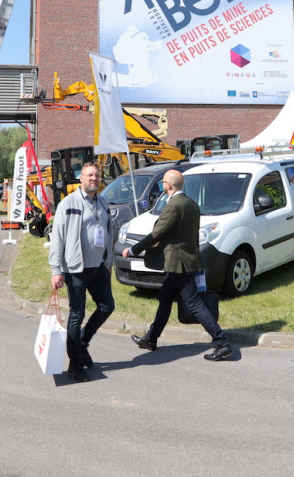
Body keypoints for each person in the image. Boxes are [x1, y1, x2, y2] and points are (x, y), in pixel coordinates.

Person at [120, 169, 232, 362]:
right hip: (184, 261)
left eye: (163, 182)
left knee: (195, 303)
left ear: (169, 185)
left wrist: (132, 250)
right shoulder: (191, 204)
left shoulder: (174, 206)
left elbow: (156, 234)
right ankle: (151, 339)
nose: (161, 185)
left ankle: (222, 343)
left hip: (178, 263)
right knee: (165, 299)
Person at [48, 162, 114, 382]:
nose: (94, 178)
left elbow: (108, 233)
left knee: (107, 306)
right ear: (81, 178)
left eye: (97, 175)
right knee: (77, 315)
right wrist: (56, 270)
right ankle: (75, 365)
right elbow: (57, 238)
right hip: (76, 269)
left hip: (99, 268)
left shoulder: (102, 203)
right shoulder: (68, 203)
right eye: (89, 175)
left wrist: (109, 260)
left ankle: (82, 343)